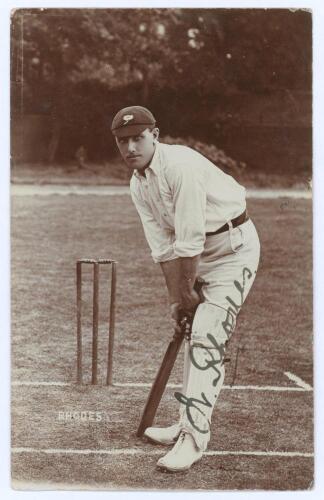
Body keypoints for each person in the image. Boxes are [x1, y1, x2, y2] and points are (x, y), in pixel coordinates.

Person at [111, 105, 261, 472]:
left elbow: (190, 240)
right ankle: (184, 422)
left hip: (232, 251)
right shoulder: (138, 184)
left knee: (208, 335)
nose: (131, 147)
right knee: (194, 332)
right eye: (123, 141)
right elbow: (163, 247)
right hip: (198, 253)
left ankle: (193, 440)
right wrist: (176, 301)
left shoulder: (180, 167)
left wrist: (187, 291)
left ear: (156, 136)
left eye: (138, 138)